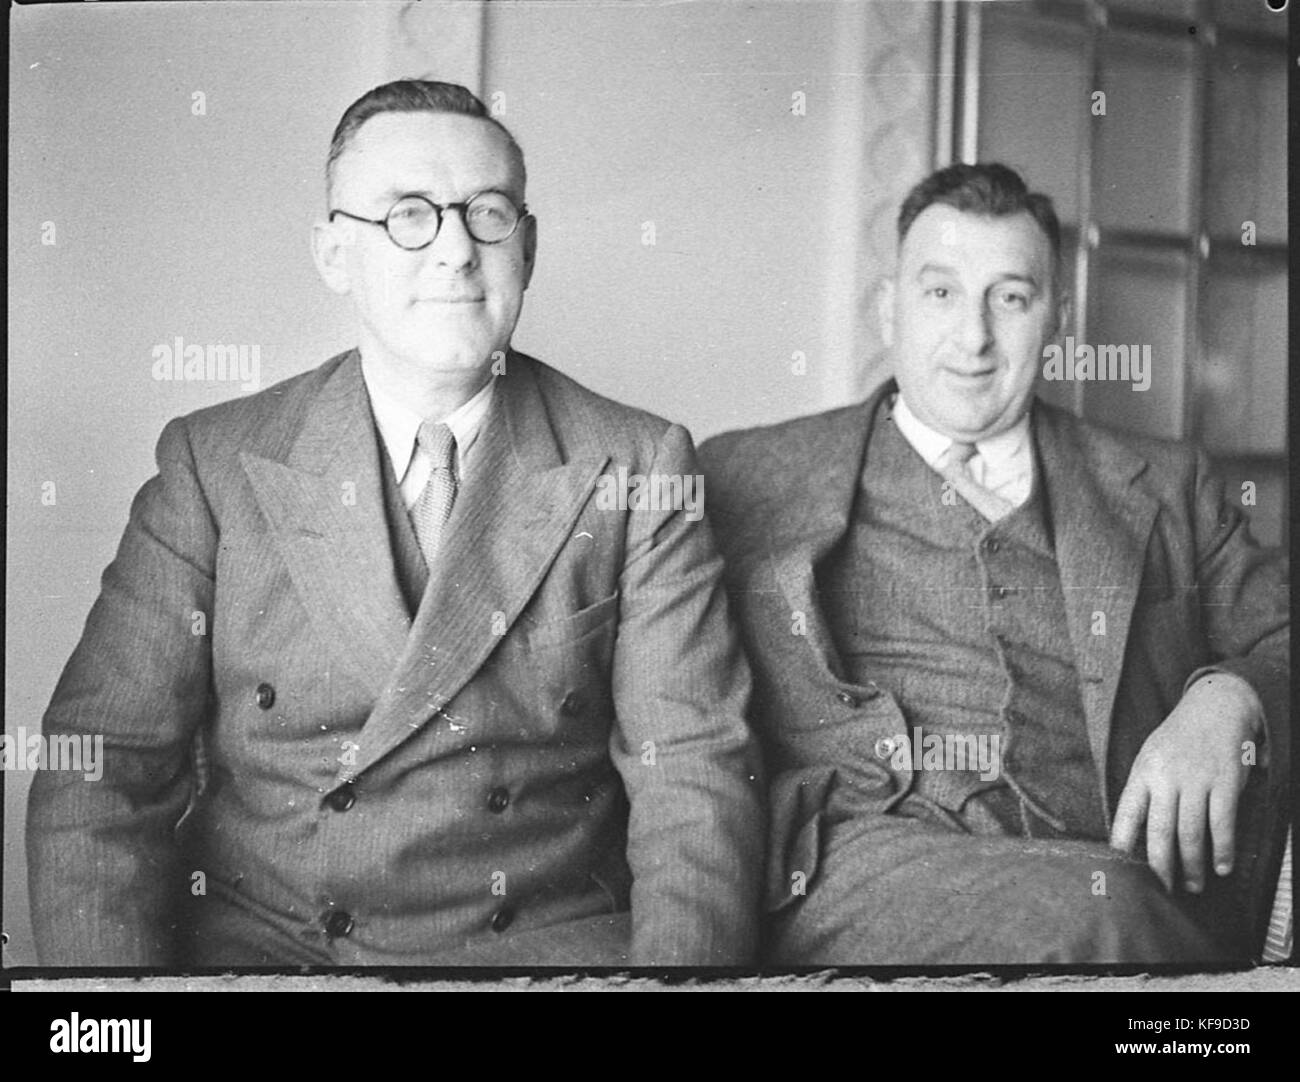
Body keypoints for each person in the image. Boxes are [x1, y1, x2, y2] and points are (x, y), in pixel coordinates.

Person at [27, 80, 763, 967]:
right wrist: (111, 1021)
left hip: (538, 956)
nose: (455, 251)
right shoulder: (214, 463)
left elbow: (693, 774)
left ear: (526, 246)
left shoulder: (640, 463)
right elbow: (101, 763)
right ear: (333, 254)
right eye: (408, 214)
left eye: (488, 213)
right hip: (271, 956)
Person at [699, 162, 1289, 965]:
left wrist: (1229, 700)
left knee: (1104, 903)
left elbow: (1283, 634)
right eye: (940, 293)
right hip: (862, 864)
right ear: (888, 310)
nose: (973, 338)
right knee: (1101, 916)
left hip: (1105, 861)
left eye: (1010, 298)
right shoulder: (745, 477)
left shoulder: (1165, 485)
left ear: (1057, 320)